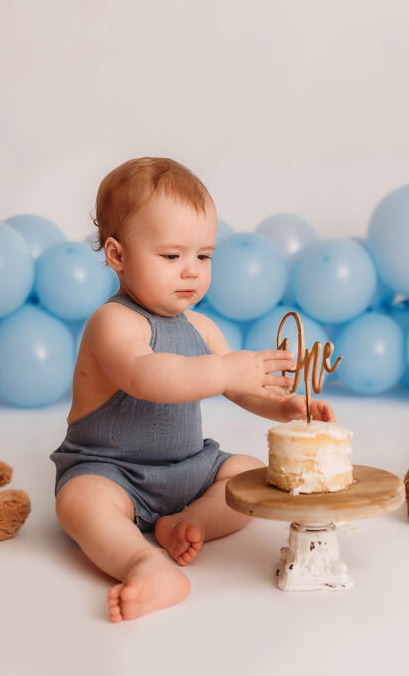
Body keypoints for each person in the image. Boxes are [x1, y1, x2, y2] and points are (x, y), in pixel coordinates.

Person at [51, 157, 335, 622]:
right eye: (171, 256)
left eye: (203, 256)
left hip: (189, 468)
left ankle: (188, 523)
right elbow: (147, 376)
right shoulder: (112, 322)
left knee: (251, 473)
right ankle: (145, 565)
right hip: (111, 471)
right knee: (79, 503)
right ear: (117, 255)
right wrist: (224, 370)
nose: (191, 271)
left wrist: (283, 406)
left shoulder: (201, 326)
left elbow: (243, 390)